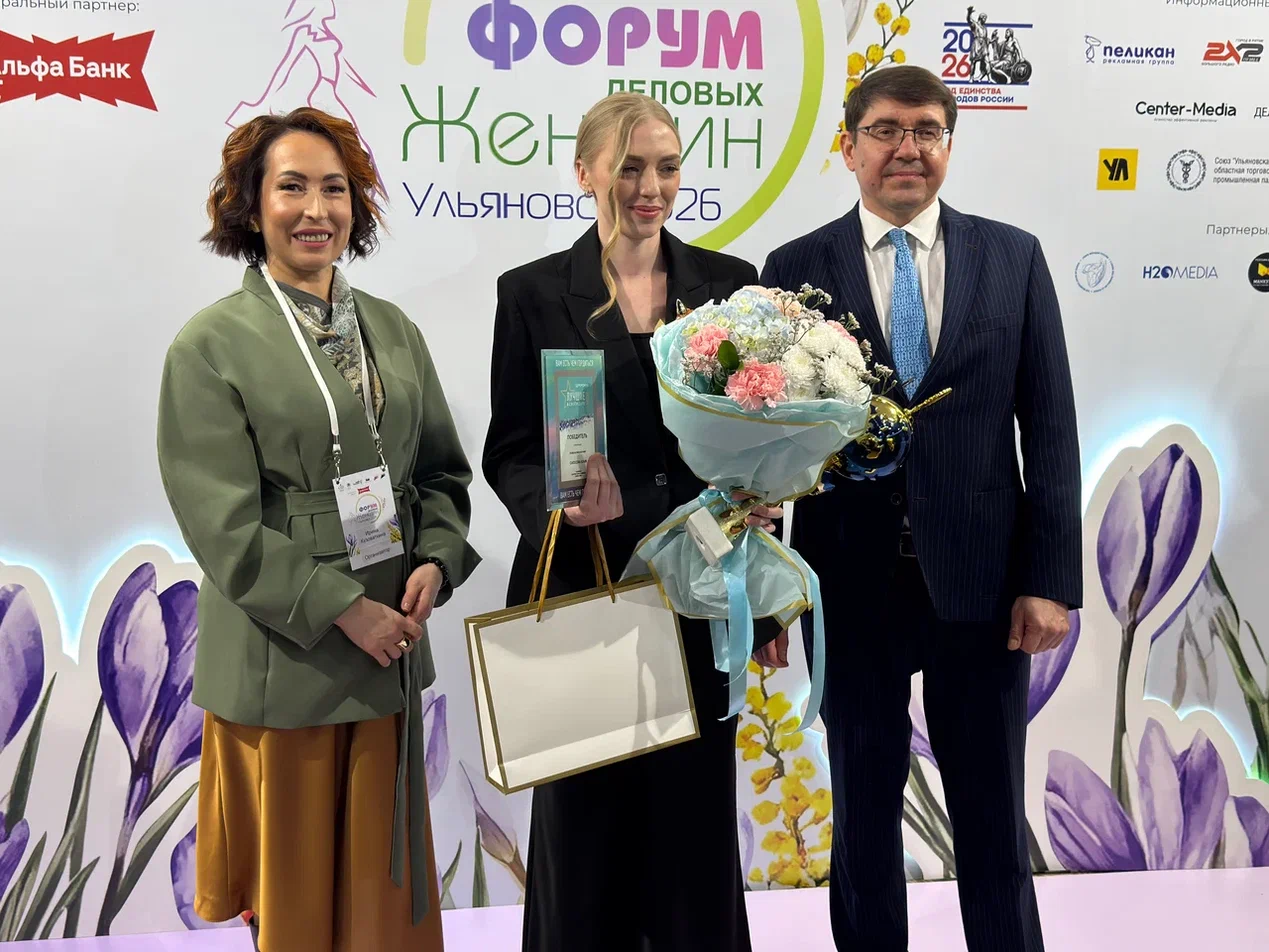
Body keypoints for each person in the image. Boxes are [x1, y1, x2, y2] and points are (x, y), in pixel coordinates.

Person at [756, 66, 1080, 952]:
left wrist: (1050, 579)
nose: (907, 148)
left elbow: (1049, 425)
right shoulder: (792, 269)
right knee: (862, 815)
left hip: (984, 582)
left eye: (927, 130)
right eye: (887, 130)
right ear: (848, 147)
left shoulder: (1011, 257)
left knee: (990, 813)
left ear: (948, 144)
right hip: (847, 580)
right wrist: (771, 593)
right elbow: (768, 447)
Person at [157, 107, 480, 952]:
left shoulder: (392, 329)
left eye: (334, 189)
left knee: (383, 897)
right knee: (297, 901)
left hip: (389, 647)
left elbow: (441, 473)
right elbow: (222, 526)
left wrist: (436, 559)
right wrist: (343, 608)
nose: (315, 210)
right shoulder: (211, 345)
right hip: (288, 652)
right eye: (291, 187)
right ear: (250, 204)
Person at [482, 91, 779, 952]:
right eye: (629, 168)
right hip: (590, 592)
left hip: (701, 594)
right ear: (585, 174)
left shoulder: (730, 285)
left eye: (667, 167)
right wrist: (560, 508)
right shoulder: (532, 292)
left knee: (692, 832)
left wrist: (765, 606)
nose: (650, 188)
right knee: (584, 835)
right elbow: (510, 450)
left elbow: (765, 445)